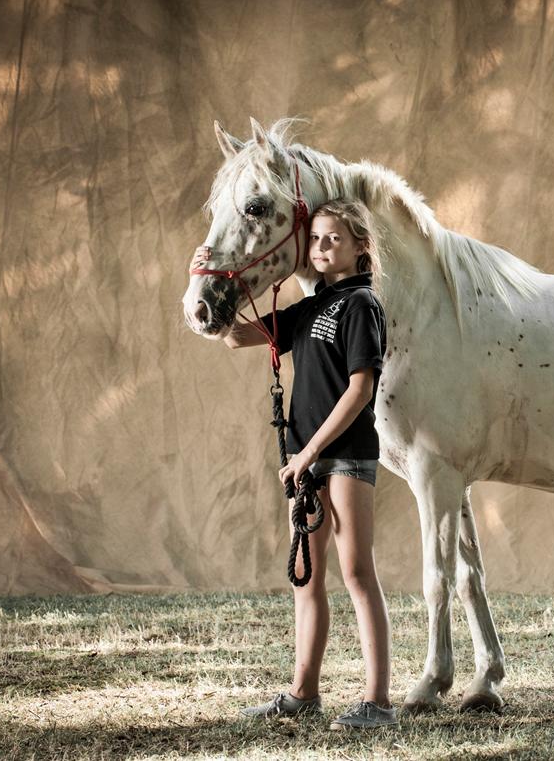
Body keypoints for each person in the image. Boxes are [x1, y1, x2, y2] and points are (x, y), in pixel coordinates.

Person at [191, 199, 394, 730]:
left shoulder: (361, 306)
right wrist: (210, 277)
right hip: (305, 463)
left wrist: (309, 453)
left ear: (359, 248)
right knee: (308, 580)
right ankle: (304, 693)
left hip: (344, 457)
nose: (322, 248)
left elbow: (360, 390)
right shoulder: (312, 307)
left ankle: (378, 701)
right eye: (318, 239)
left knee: (356, 573)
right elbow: (236, 335)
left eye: (333, 239)